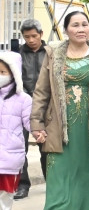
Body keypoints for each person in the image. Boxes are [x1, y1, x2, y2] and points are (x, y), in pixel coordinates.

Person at [31, 10, 89, 210]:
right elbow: (41, 91)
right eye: (75, 25)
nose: (81, 29)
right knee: (58, 172)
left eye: (85, 24)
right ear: (65, 29)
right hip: (59, 124)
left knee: (86, 171)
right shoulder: (54, 53)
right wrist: (36, 123)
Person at [15, 18, 47, 199]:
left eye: (34, 36)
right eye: (27, 37)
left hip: (46, 106)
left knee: (47, 146)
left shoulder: (50, 53)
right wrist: (26, 97)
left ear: (41, 34)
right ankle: (22, 185)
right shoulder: (18, 55)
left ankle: (51, 181)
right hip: (23, 105)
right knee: (21, 147)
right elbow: (16, 79)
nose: (31, 40)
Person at [0, 52, 31, 210]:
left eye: (3, 72)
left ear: (14, 73)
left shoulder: (23, 100)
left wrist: (40, 131)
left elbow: (30, 123)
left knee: (5, 190)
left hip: (10, 153)